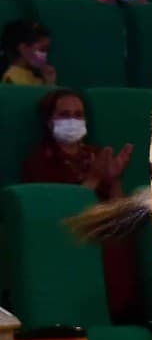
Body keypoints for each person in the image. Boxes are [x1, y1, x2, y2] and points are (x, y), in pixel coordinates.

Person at [23, 88, 139, 316]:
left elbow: (118, 211)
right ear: (49, 122)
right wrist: (95, 178)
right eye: (64, 115)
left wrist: (113, 178)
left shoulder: (96, 155)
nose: (73, 120)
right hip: (70, 236)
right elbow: (62, 214)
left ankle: (125, 317)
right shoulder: (39, 160)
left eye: (78, 115)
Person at [1, 19, 52, 86]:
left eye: (47, 50)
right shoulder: (11, 77)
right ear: (23, 49)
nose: (45, 55)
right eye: (42, 50)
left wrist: (49, 82)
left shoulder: (38, 77)